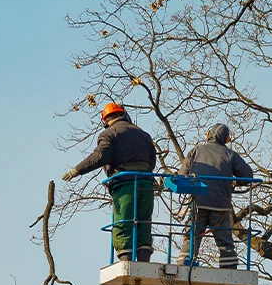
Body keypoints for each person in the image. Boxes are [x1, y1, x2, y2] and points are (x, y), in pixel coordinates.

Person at [63, 103, 157, 262]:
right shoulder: (144, 134)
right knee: (143, 222)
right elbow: (152, 161)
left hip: (125, 183)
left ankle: (126, 259)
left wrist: (77, 170)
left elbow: (100, 156)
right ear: (124, 115)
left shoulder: (109, 133)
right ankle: (143, 259)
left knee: (123, 221)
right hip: (147, 183)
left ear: (105, 120)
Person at [177, 123, 254, 269]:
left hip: (198, 202)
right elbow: (248, 176)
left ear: (208, 135)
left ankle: (185, 261)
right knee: (224, 238)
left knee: (192, 233)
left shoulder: (196, 151)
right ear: (226, 139)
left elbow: (181, 176)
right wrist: (236, 182)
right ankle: (229, 265)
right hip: (221, 204)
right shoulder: (230, 155)